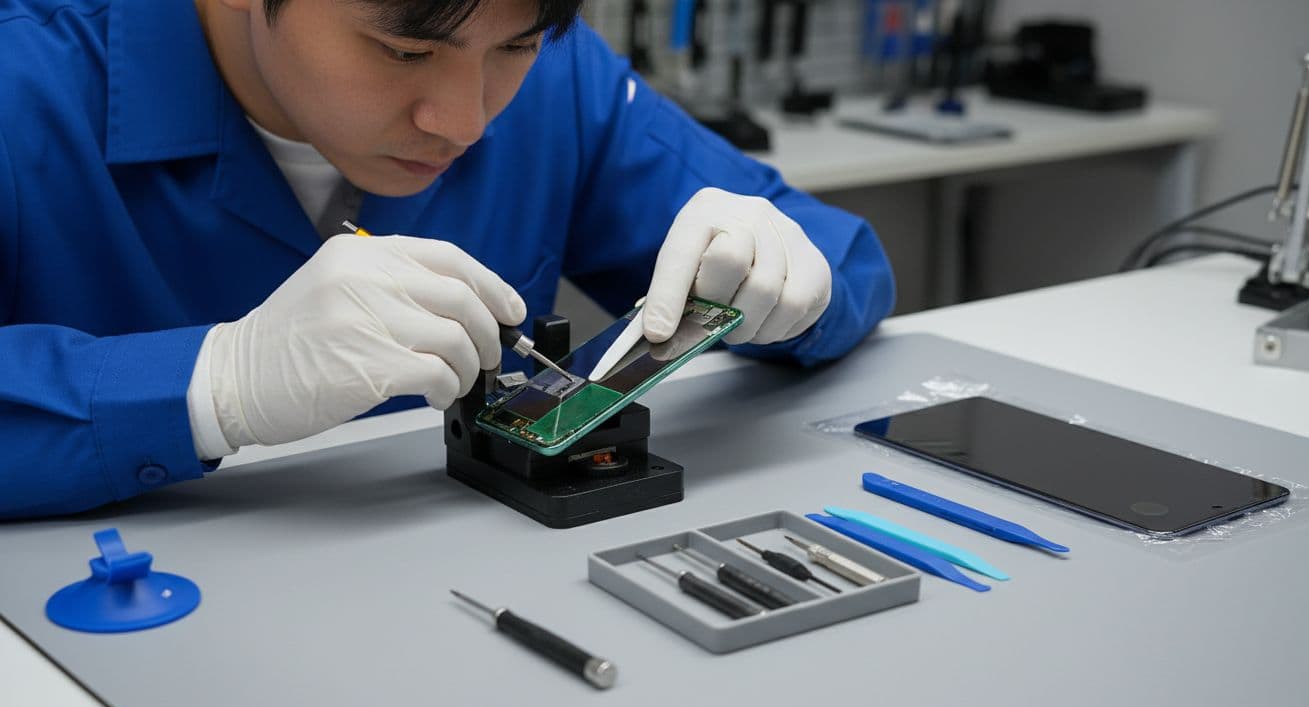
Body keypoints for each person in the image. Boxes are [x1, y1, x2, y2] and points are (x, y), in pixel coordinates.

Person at [0, 0, 895, 518]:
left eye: (514, 46)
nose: (467, 122)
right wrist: (210, 386)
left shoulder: (558, 77)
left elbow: (839, 258)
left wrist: (792, 279)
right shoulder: (24, 79)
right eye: (404, 50)